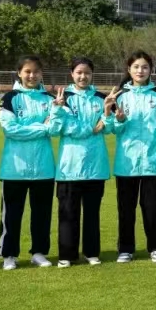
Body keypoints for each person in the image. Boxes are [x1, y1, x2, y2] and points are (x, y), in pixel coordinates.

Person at [111, 51, 156, 263]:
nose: (140, 71)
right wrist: (119, 120)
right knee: (126, 209)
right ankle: (125, 249)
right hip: (127, 163)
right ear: (129, 69)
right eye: (136, 67)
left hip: (153, 162)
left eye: (145, 67)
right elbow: (114, 129)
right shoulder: (120, 95)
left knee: (154, 209)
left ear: (150, 70)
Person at [0, 55, 62, 270]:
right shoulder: (10, 98)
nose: (32, 75)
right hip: (14, 167)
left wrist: (45, 125)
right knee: (11, 215)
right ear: (19, 73)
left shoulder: (49, 99)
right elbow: (11, 130)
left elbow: (55, 129)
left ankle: (39, 252)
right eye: (27, 71)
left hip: (43, 167)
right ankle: (9, 255)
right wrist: (42, 127)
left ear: (41, 73)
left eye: (36, 71)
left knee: (41, 214)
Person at [52, 57, 111, 268]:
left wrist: (108, 116)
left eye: (87, 72)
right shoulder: (63, 98)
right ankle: (66, 255)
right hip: (70, 167)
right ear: (72, 74)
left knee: (92, 213)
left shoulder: (101, 98)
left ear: (92, 74)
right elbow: (62, 127)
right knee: (68, 213)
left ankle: (91, 252)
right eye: (79, 72)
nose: (83, 76)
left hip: (95, 165)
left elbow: (110, 126)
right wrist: (92, 128)